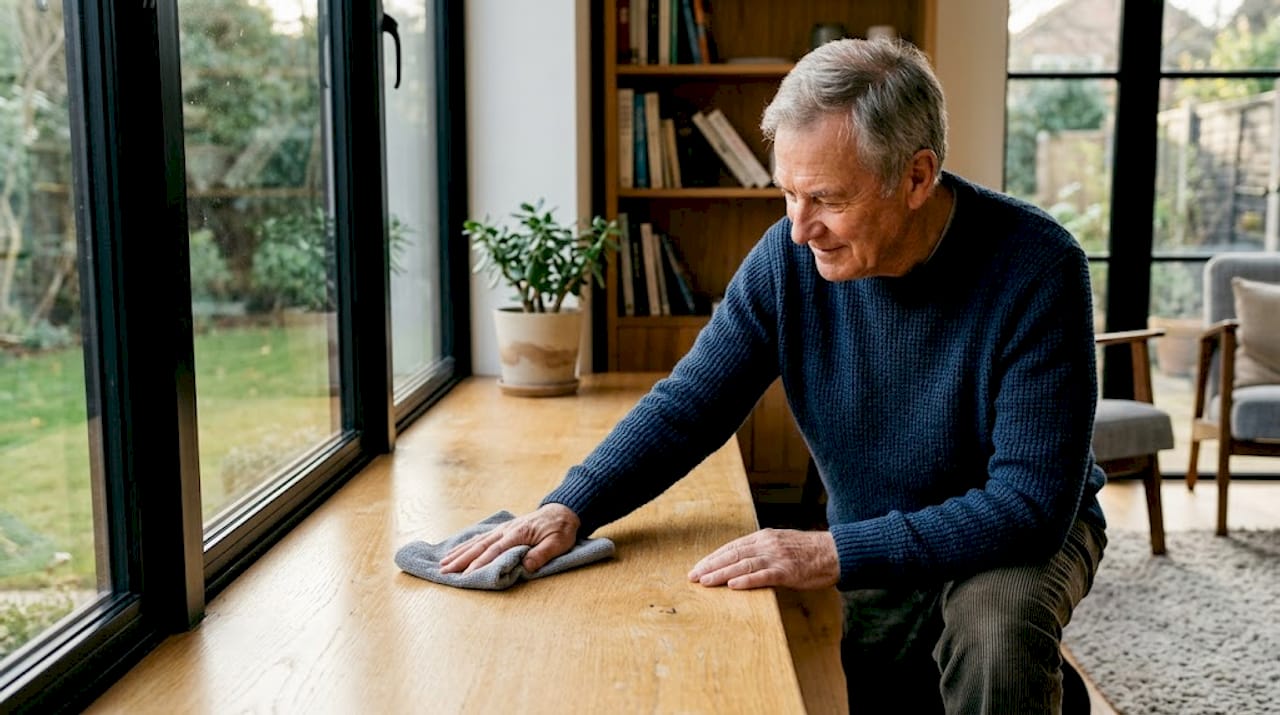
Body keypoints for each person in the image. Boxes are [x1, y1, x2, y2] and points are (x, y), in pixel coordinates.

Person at [443, 37, 1106, 714]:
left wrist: (830, 552)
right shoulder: (788, 263)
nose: (798, 229)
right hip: (879, 521)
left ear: (916, 177)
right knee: (896, 694)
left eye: (826, 199)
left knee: (996, 630)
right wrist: (571, 504)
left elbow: (1027, 505)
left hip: (1022, 525)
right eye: (787, 193)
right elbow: (693, 401)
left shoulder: (1039, 268)